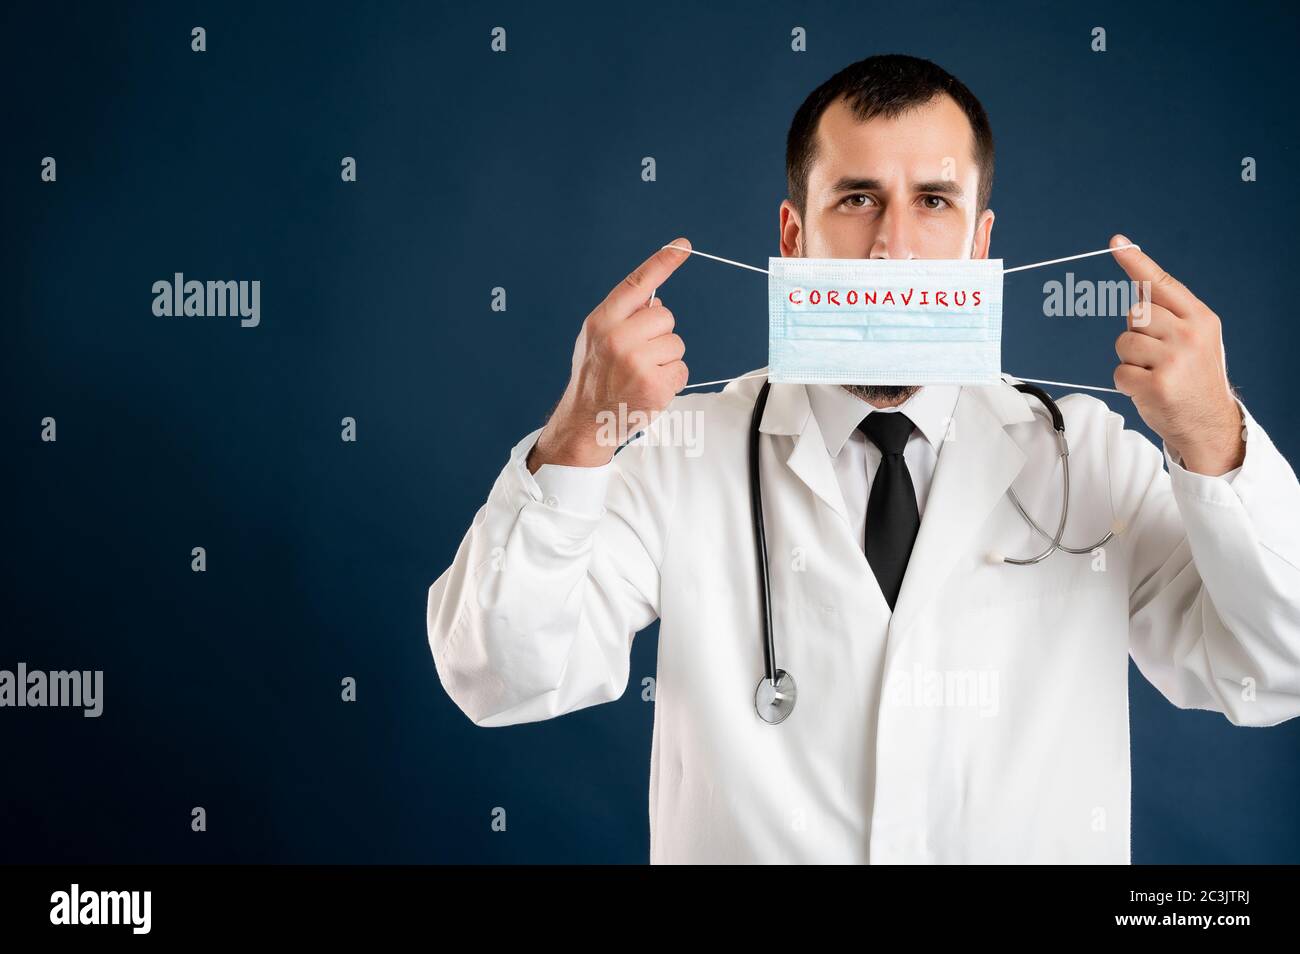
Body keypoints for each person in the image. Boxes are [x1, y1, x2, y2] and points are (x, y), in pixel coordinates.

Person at [426, 54, 1300, 863]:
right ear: (794, 236)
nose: (894, 248)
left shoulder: (1090, 459)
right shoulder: (684, 455)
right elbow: (497, 675)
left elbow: (1274, 670)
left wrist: (1214, 439)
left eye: (933, 201)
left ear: (981, 243)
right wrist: (580, 434)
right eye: (856, 199)